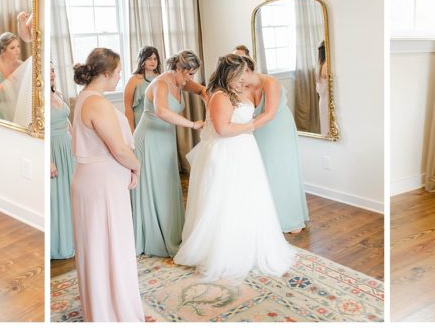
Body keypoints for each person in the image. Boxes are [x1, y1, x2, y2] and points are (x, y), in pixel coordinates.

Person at [174, 53, 296, 281]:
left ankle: (248, 246)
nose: (243, 81)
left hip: (243, 151)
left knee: (247, 199)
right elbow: (222, 129)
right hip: (226, 152)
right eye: (239, 77)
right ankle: (227, 252)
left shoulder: (235, 91)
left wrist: (247, 128)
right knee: (226, 201)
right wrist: (249, 126)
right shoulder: (220, 96)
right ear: (229, 75)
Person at [70, 48, 144, 322]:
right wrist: (137, 166)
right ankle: (114, 312)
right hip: (101, 185)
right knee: (110, 246)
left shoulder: (85, 98)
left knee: (100, 247)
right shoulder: (96, 103)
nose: (120, 76)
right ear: (105, 74)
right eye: (117, 71)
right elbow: (119, 150)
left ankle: (103, 307)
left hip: (92, 180)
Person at [131, 50, 206, 257]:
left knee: (167, 184)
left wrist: (207, 97)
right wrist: (193, 124)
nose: (191, 78)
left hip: (165, 140)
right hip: (149, 139)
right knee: (156, 186)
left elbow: (201, 89)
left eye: (193, 74)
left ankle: (171, 231)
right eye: (189, 74)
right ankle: (154, 237)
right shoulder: (160, 84)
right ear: (178, 69)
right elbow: (162, 111)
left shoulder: (181, 81)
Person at [240, 56, 309, 233]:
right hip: (257, 131)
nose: (237, 81)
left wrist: (244, 128)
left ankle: (289, 218)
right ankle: (265, 217)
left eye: (239, 75)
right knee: (262, 170)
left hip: (278, 129)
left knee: (281, 170)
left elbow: (269, 114)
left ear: (247, 70)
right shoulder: (242, 86)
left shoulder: (270, 82)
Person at [49, 62, 75, 260]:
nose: (50, 73)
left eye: (52, 69)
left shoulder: (57, 93)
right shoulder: (38, 98)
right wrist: (48, 161)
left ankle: (73, 237)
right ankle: (59, 242)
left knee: (69, 193)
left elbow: (67, 122)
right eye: (46, 70)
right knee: (56, 197)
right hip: (52, 149)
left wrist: (76, 144)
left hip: (66, 147)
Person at [123, 46, 160, 130]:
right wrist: (131, 131)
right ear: (142, 60)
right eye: (149, 58)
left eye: (155, 59)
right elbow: (128, 109)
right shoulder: (133, 80)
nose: (153, 61)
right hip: (141, 123)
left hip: (160, 123)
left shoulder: (160, 78)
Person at [316, 40, 330, 135]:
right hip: (327, 100)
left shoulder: (320, 66)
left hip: (322, 100)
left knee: (325, 126)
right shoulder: (326, 66)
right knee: (328, 126)